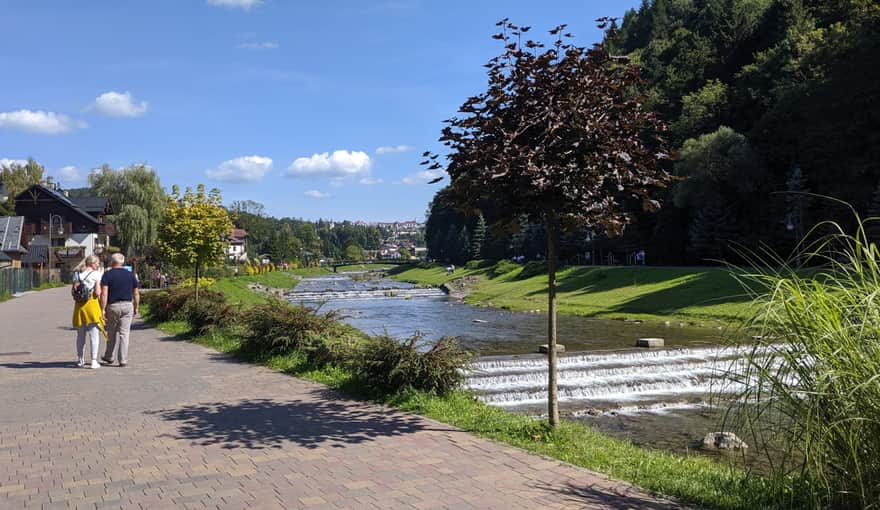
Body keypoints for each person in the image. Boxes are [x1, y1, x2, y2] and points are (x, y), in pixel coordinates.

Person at [100, 253, 140, 367]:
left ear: (112, 262)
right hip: (127, 305)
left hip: (113, 306)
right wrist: (136, 306)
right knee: (124, 334)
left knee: (111, 333)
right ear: (122, 262)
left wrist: (103, 309)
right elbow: (136, 292)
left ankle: (109, 356)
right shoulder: (130, 275)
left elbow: (104, 293)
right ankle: (123, 359)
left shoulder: (107, 275)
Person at [72, 255, 104, 369]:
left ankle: (80, 360)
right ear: (92, 263)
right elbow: (98, 292)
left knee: (80, 336)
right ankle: (94, 361)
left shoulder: (77, 274)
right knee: (94, 335)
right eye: (97, 263)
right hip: (92, 305)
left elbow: (74, 290)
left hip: (79, 307)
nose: (98, 265)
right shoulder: (96, 274)